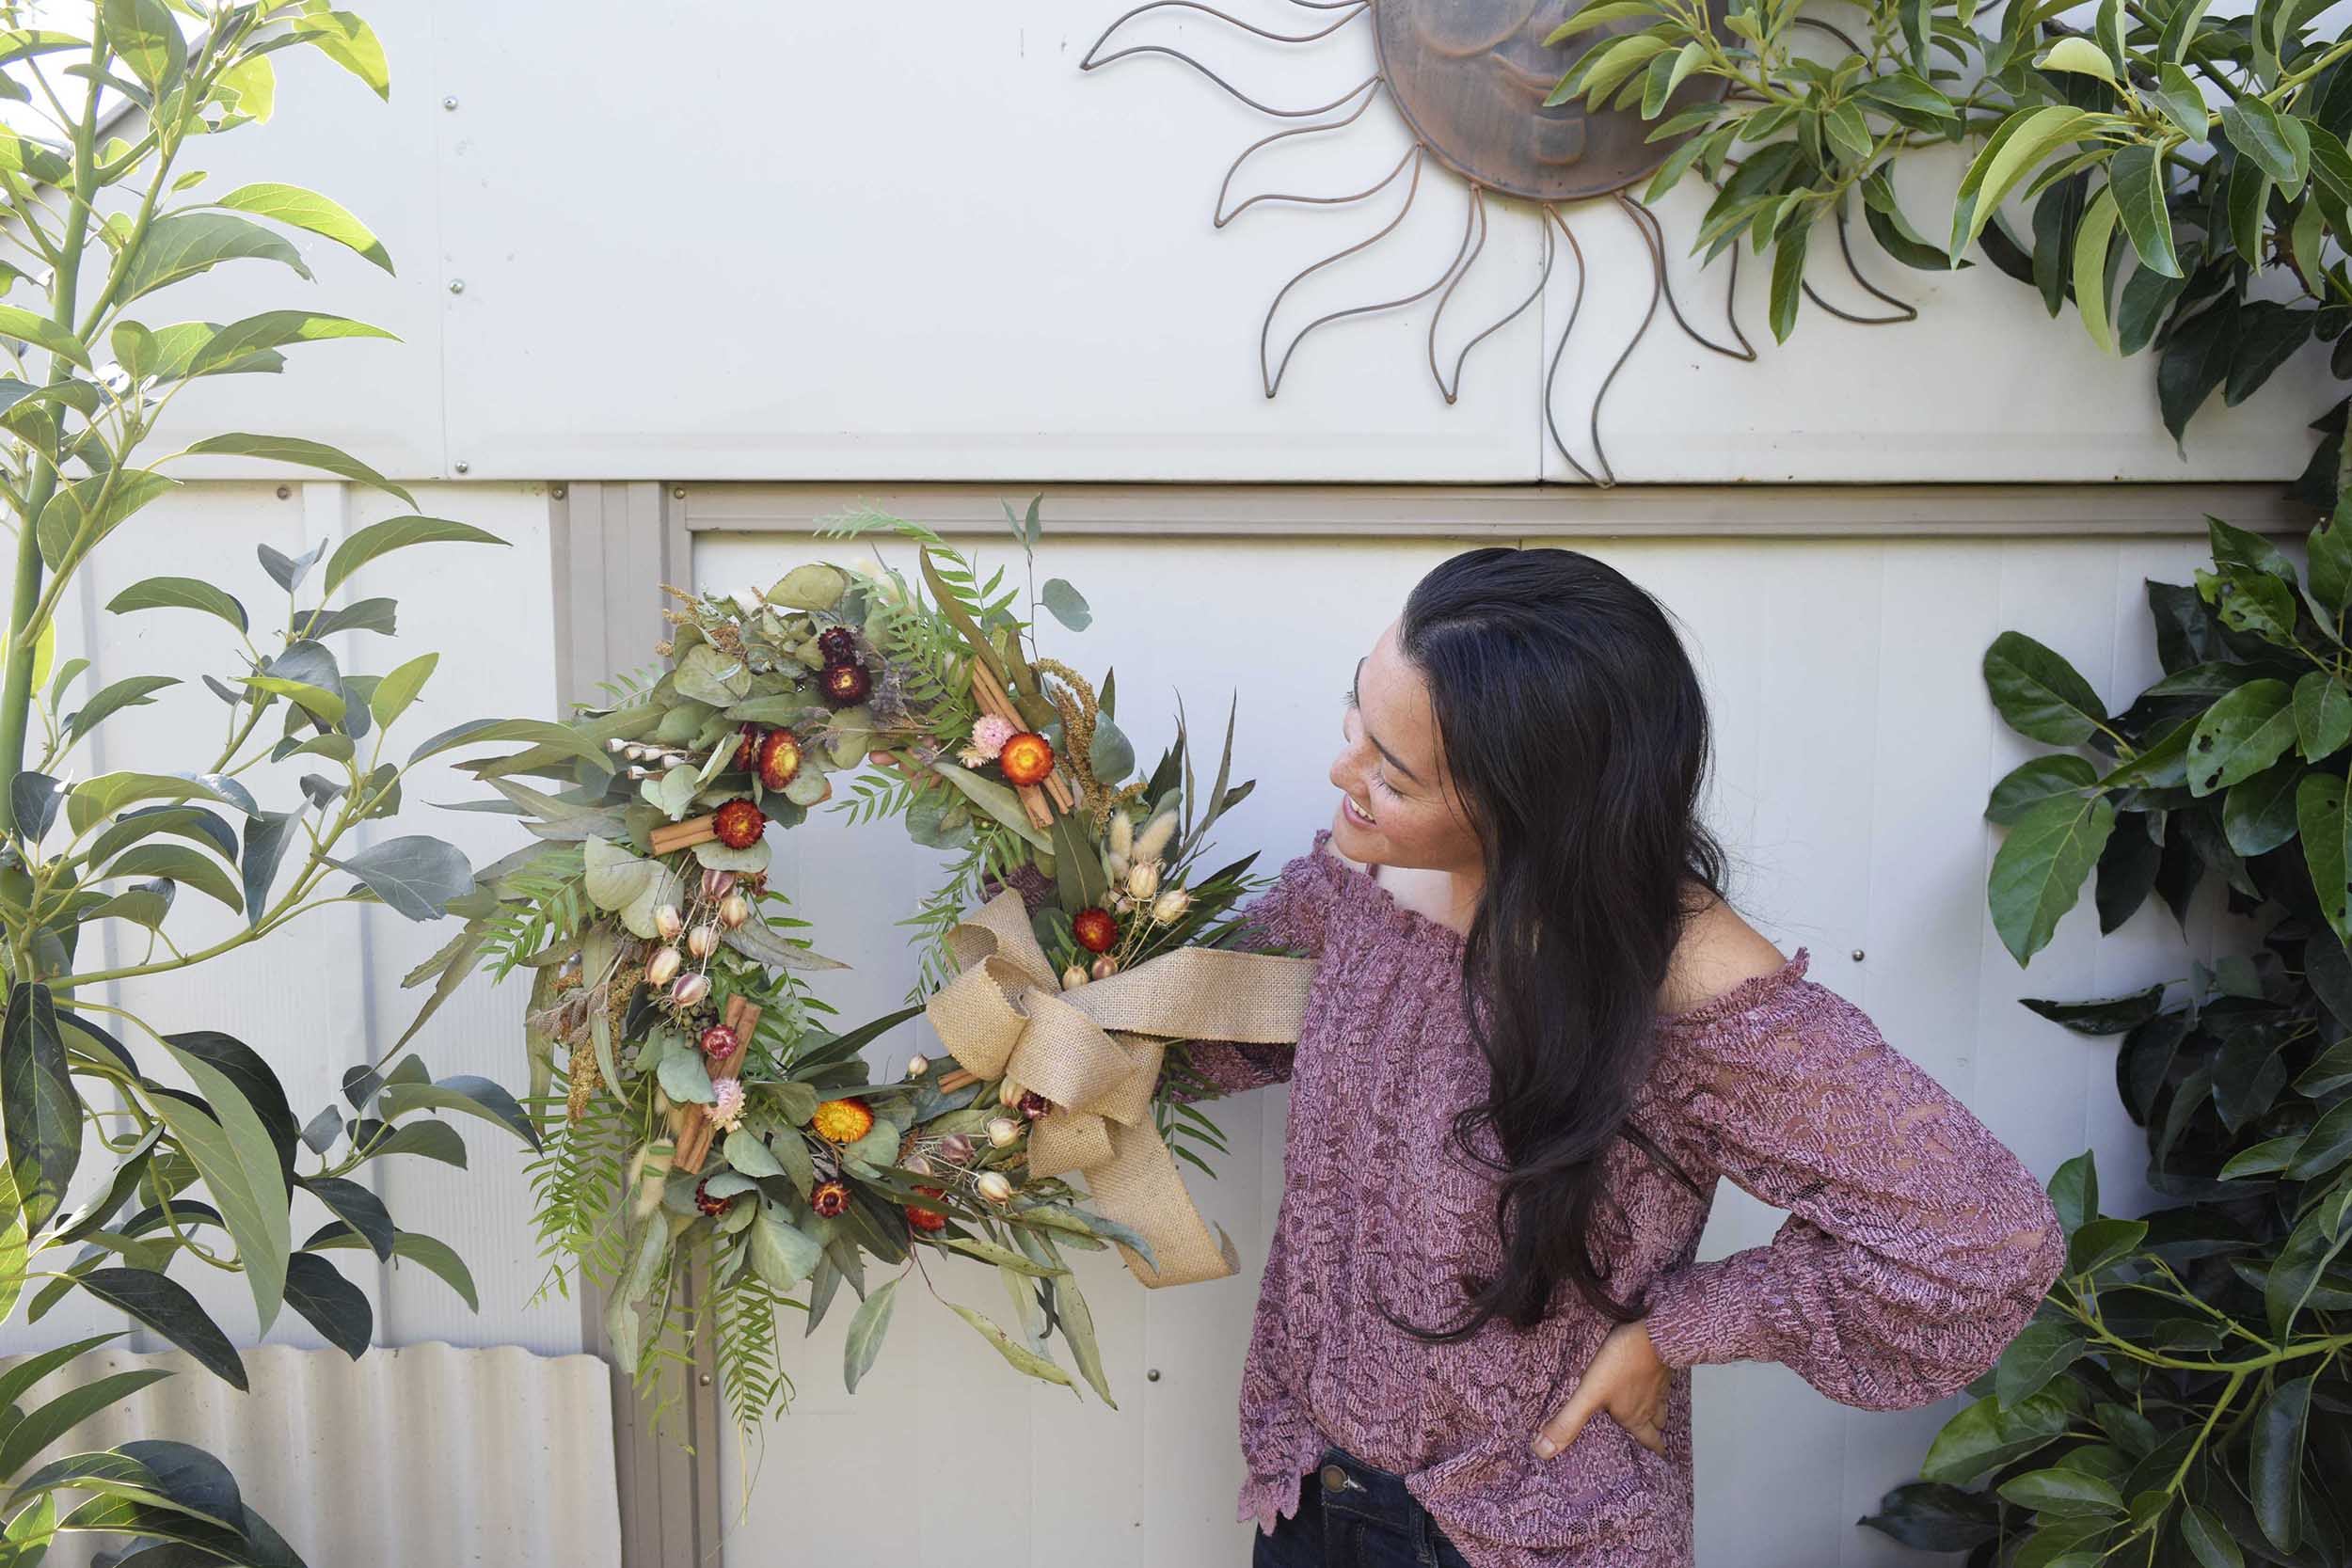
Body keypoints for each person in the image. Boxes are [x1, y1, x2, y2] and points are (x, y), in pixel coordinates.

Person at [1178, 546, 2069, 1568]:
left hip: (1523, 1535)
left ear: (1527, 807)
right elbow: (1201, 1035)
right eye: (1357, 722)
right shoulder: (1360, 886)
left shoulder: (1697, 993)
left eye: (1395, 770)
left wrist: (1674, 1329)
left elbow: (1984, 1241)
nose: (1346, 776)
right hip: (1310, 1500)